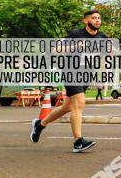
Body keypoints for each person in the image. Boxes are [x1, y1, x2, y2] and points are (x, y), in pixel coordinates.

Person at [30, 9, 108, 152]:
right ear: (86, 21)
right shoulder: (76, 34)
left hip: (86, 75)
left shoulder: (102, 37)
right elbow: (56, 51)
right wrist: (75, 47)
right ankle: (78, 142)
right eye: (94, 18)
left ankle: (40, 124)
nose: (97, 20)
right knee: (80, 104)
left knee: (68, 107)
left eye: (99, 18)